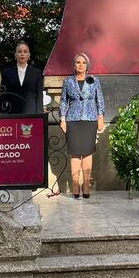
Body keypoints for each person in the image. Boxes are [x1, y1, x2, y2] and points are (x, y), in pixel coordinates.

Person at [59, 53, 105, 198]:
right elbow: (63, 101)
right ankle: (74, 184)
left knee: (87, 153)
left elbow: (100, 100)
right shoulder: (68, 82)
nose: (80, 65)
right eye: (78, 62)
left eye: (83, 62)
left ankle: (85, 184)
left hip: (90, 120)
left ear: (87, 65)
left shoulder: (94, 80)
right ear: (74, 65)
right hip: (73, 120)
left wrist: (101, 117)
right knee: (75, 153)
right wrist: (62, 119)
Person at [0, 40, 44, 115]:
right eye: (19, 51)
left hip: (31, 113)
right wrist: (2, 113)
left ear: (29, 55)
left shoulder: (36, 73)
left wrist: (39, 114)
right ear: (15, 55)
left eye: (25, 51)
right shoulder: (6, 73)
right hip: (12, 112)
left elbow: (39, 96)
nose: (22, 54)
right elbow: (3, 95)